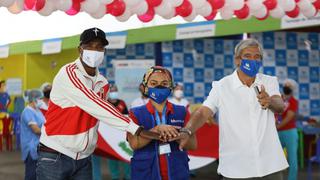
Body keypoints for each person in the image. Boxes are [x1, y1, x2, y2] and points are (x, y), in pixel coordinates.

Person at [36, 27, 161, 180]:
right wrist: (136, 129)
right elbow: (94, 103)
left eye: (99, 47)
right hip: (55, 154)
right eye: (89, 46)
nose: (94, 50)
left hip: (84, 158)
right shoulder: (68, 73)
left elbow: (102, 115)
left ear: (104, 51)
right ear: (79, 49)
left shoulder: (103, 83)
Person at [177, 38, 288, 179]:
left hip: (270, 165)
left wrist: (269, 101)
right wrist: (188, 130)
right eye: (247, 56)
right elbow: (204, 112)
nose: (252, 60)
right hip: (236, 167)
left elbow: (279, 106)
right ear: (237, 60)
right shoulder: (221, 86)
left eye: (257, 57)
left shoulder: (269, 81)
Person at [127, 66, 197, 180]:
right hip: (145, 174)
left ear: (170, 87)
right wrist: (156, 129)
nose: (159, 86)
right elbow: (134, 144)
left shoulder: (182, 111)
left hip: (178, 174)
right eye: (153, 83)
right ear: (145, 87)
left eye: (164, 83)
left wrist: (175, 134)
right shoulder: (135, 113)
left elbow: (193, 145)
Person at [107, 84, 131, 180]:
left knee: (125, 154)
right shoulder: (105, 103)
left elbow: (127, 117)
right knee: (112, 157)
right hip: (110, 136)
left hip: (122, 135)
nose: (114, 92)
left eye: (115, 90)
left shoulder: (122, 103)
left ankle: (127, 176)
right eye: (112, 91)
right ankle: (115, 177)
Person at [20, 89, 45, 180]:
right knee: (31, 175)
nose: (41, 101)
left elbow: (45, 124)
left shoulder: (38, 111)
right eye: (40, 99)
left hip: (38, 146)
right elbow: (36, 130)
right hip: (31, 148)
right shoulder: (27, 112)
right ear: (34, 99)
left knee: (37, 174)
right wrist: (48, 133)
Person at [277, 79, 299, 180]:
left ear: (293, 89)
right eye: (285, 84)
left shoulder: (294, 101)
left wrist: (276, 127)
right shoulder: (278, 99)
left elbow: (288, 118)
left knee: (292, 160)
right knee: (275, 159)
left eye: (289, 85)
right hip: (278, 133)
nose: (286, 86)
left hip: (290, 132)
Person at [0, 80, 11, 151]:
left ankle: (8, 146)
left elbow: (9, 100)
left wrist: (6, 106)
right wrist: (1, 106)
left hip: (6, 113)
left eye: (5, 85)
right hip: (0, 114)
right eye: (3, 85)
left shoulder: (6, 94)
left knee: (7, 130)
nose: (4, 86)